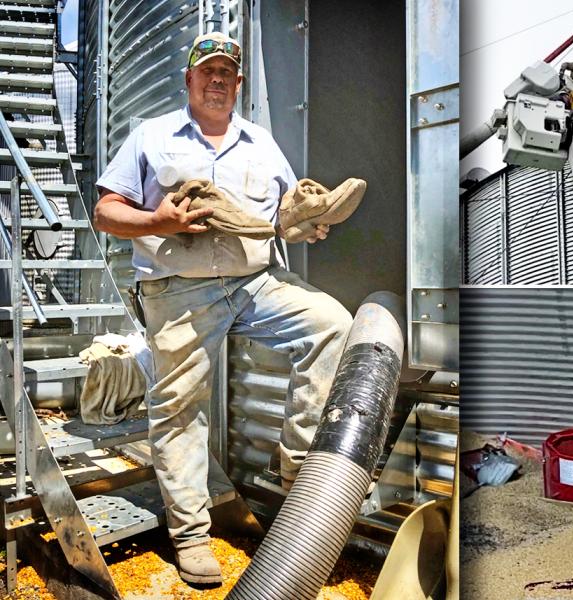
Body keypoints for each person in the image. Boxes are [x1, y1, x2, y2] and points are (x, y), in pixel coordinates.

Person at [93, 31, 353, 585]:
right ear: (188, 79)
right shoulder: (151, 136)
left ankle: (297, 466)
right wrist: (159, 222)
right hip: (179, 289)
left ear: (237, 85)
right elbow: (106, 212)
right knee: (181, 407)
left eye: (228, 74)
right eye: (208, 71)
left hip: (254, 280)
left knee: (333, 324)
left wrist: (307, 221)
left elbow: (283, 208)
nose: (218, 80)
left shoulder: (259, 141)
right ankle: (190, 535)